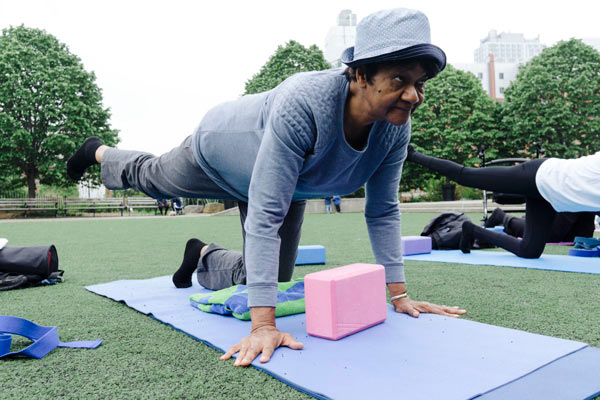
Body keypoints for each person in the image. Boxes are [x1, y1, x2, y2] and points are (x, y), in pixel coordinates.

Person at [66, 8, 465, 367]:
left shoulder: (395, 128)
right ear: (361, 74)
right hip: (217, 153)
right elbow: (266, 216)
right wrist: (262, 327)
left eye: (420, 83)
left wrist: (399, 296)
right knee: (154, 178)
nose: (413, 95)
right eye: (399, 80)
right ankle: (99, 152)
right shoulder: (305, 102)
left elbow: (382, 210)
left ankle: (202, 254)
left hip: (285, 185)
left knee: (270, 277)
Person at [406, 146, 600, 258]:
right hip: (538, 175)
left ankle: (472, 230)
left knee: (529, 251)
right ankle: (412, 155)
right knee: (467, 176)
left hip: (550, 197)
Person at [485, 208, 595, 244]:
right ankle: (503, 218)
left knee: (577, 236)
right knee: (550, 235)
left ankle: (520, 221)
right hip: (576, 187)